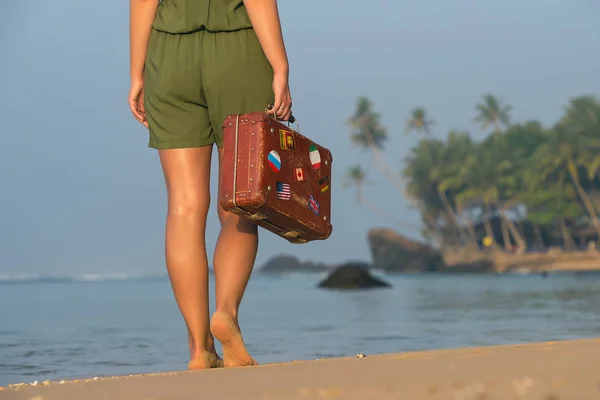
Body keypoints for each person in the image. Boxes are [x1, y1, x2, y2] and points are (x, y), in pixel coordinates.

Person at [128, 0, 292, 370]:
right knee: (240, 201)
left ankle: (200, 347)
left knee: (184, 207)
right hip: (239, 51)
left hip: (168, 56)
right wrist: (280, 65)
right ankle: (226, 312)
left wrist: (137, 74)